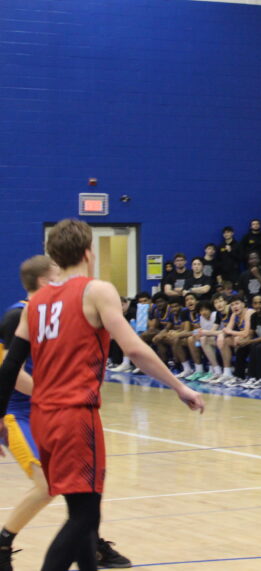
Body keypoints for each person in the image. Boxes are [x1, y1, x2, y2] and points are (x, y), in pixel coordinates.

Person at [0, 221, 203, 571]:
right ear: (88, 252)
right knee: (85, 516)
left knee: (80, 510)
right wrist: (179, 385)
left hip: (42, 418)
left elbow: (10, 365)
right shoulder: (96, 290)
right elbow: (134, 349)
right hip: (75, 416)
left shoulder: (35, 304)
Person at [0, 257, 133, 571]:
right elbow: (9, 370)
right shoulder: (19, 313)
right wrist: (53, 393)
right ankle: (3, 543)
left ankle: (90, 542)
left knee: (82, 487)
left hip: (51, 408)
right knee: (49, 486)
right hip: (22, 413)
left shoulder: (62, 307)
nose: (63, 278)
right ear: (46, 280)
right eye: (57, 274)